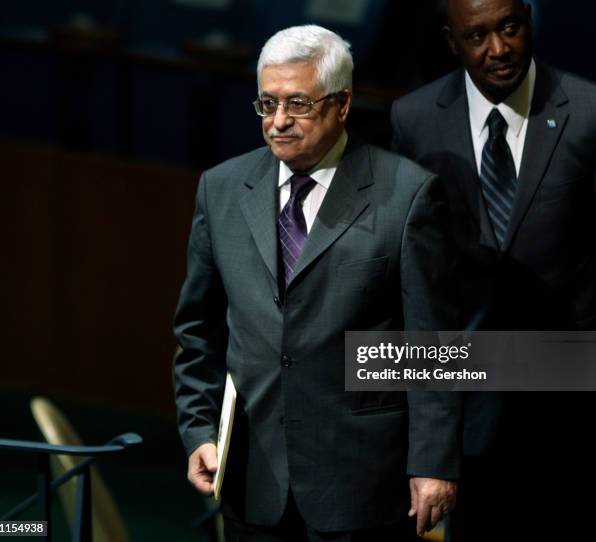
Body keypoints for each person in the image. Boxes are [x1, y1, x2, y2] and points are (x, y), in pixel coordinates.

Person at [174, 24, 462, 542]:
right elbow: (197, 331)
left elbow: (432, 347)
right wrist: (198, 428)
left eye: (298, 104)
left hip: (361, 484)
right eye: (267, 104)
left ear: (342, 103)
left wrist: (433, 463)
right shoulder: (218, 190)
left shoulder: (409, 195)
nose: (278, 122)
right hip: (251, 480)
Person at [390, 0, 596, 539]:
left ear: (530, 22)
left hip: (568, 395)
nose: (499, 49)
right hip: (466, 389)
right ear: (451, 40)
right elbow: (410, 262)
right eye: (478, 36)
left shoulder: (590, 112)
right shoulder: (412, 119)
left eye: (510, 27)